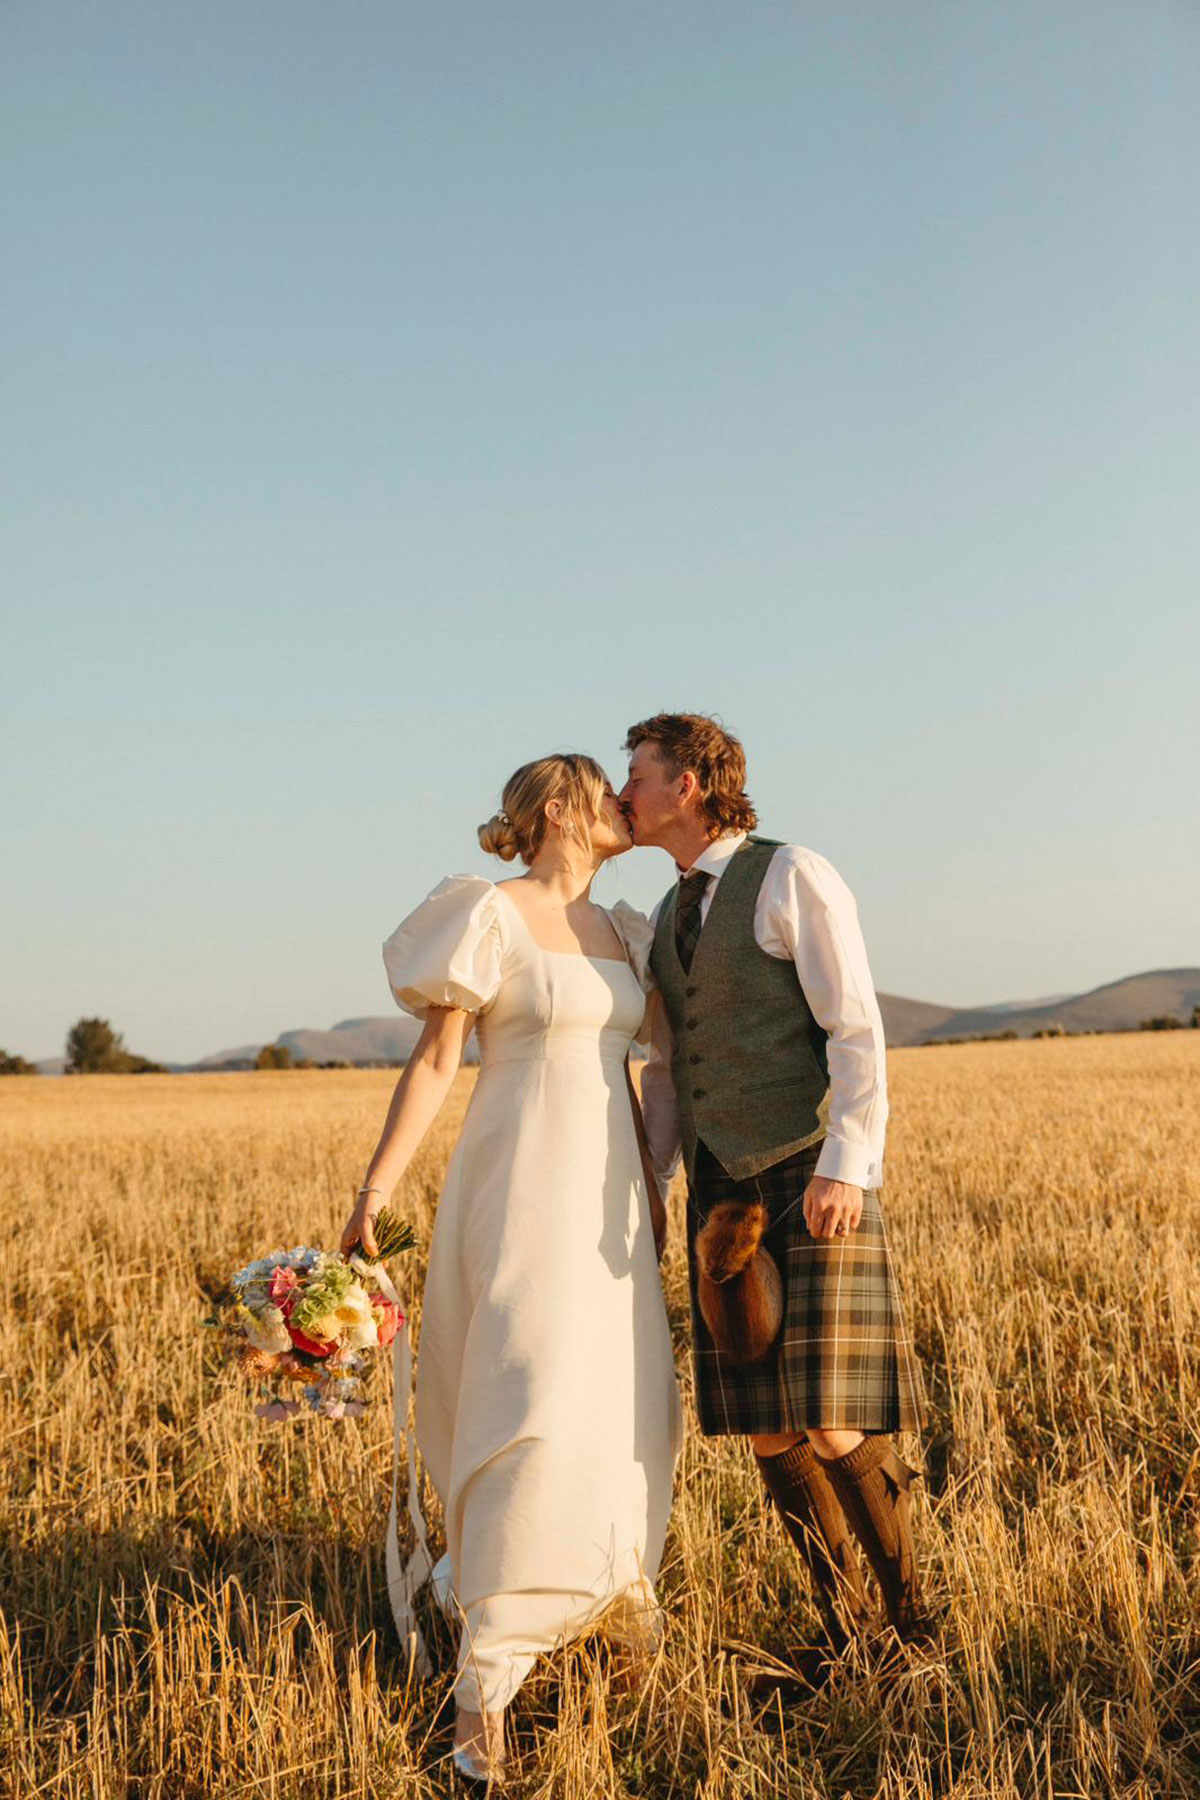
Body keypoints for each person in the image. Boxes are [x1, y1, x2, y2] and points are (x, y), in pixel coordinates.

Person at [341, 753, 682, 1783]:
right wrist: (374, 1192)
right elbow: (440, 1059)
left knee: (616, 1401)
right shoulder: (485, 913)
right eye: (606, 789)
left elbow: (650, 1073)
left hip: (611, 1197)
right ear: (559, 808)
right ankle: (483, 1688)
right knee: (523, 1390)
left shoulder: (628, 930)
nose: (628, 801)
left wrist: (655, 1190)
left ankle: (607, 1598)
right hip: (518, 1184)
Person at [618, 712, 930, 1704]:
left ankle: (922, 1625)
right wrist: (655, 1187)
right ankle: (849, 1639)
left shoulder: (792, 874)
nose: (625, 794)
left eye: (639, 775)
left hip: (807, 1171)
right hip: (720, 1194)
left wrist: (851, 1160)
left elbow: (855, 1027)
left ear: (694, 784)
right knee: (765, 1430)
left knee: (835, 1419)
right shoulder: (665, 919)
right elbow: (667, 1072)